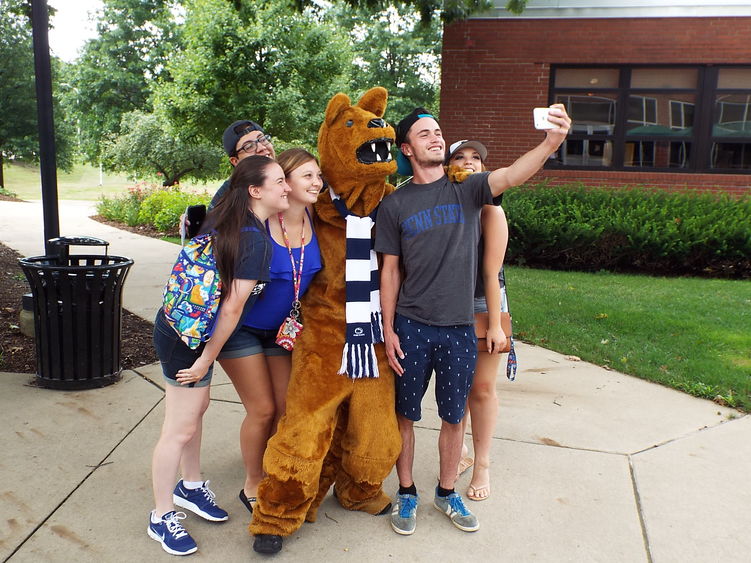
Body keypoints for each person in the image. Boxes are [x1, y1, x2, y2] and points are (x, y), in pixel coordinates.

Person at [375, 105, 570, 536]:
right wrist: (388, 330)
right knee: (405, 417)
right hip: (410, 325)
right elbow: (389, 271)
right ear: (407, 148)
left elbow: (512, 174)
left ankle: (447, 491)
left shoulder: (467, 189)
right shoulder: (395, 204)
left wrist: (551, 143)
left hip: (460, 328)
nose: (435, 137)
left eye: (438, 131)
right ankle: (406, 491)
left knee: (452, 418)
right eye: (424, 134)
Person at [148, 155, 290, 556]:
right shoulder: (254, 239)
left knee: (196, 413)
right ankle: (160, 516)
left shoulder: (224, 218)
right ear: (255, 191)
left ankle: (189, 487)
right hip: (186, 337)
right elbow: (231, 309)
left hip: (180, 324)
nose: (287, 187)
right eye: (279, 181)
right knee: (179, 427)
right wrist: (205, 360)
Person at [214, 148, 323, 515]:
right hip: (241, 329)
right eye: (307, 176)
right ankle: (251, 482)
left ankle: (275, 472)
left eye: (319, 175)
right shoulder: (258, 223)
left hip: (283, 331)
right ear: (284, 182)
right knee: (261, 410)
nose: (317, 182)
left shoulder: (318, 219)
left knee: (284, 409)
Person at [446, 139, 509, 502]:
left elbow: (492, 275)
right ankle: (462, 454)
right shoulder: (445, 203)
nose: (469, 163)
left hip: (484, 303)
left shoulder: (490, 209)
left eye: (476, 158)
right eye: (460, 157)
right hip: (448, 304)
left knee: (481, 388)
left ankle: (482, 461)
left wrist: (496, 324)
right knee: (458, 384)